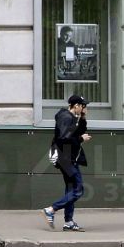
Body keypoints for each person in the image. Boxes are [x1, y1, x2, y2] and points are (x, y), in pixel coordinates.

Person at [42, 94, 91, 232]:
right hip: (66, 159)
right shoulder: (66, 117)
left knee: (70, 189)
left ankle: (68, 221)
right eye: (83, 106)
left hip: (69, 158)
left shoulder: (73, 117)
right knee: (78, 189)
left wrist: (83, 118)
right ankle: (51, 209)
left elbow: (79, 132)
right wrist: (80, 139)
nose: (85, 108)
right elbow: (63, 139)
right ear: (76, 105)